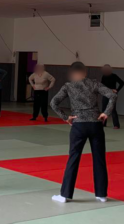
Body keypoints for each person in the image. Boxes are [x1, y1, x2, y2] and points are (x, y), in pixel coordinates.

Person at [50, 61, 117, 204]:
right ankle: (101, 195)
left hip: (78, 125)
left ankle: (65, 195)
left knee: (73, 159)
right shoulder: (94, 83)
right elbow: (112, 95)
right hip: (96, 124)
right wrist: (106, 113)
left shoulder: (68, 86)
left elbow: (53, 103)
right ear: (85, 72)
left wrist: (65, 117)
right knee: (99, 159)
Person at [100, 65, 124, 129]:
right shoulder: (104, 76)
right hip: (105, 94)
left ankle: (116, 125)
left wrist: (117, 90)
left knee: (113, 109)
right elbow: (101, 85)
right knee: (104, 108)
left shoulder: (114, 76)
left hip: (112, 94)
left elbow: (122, 83)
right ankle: (103, 123)